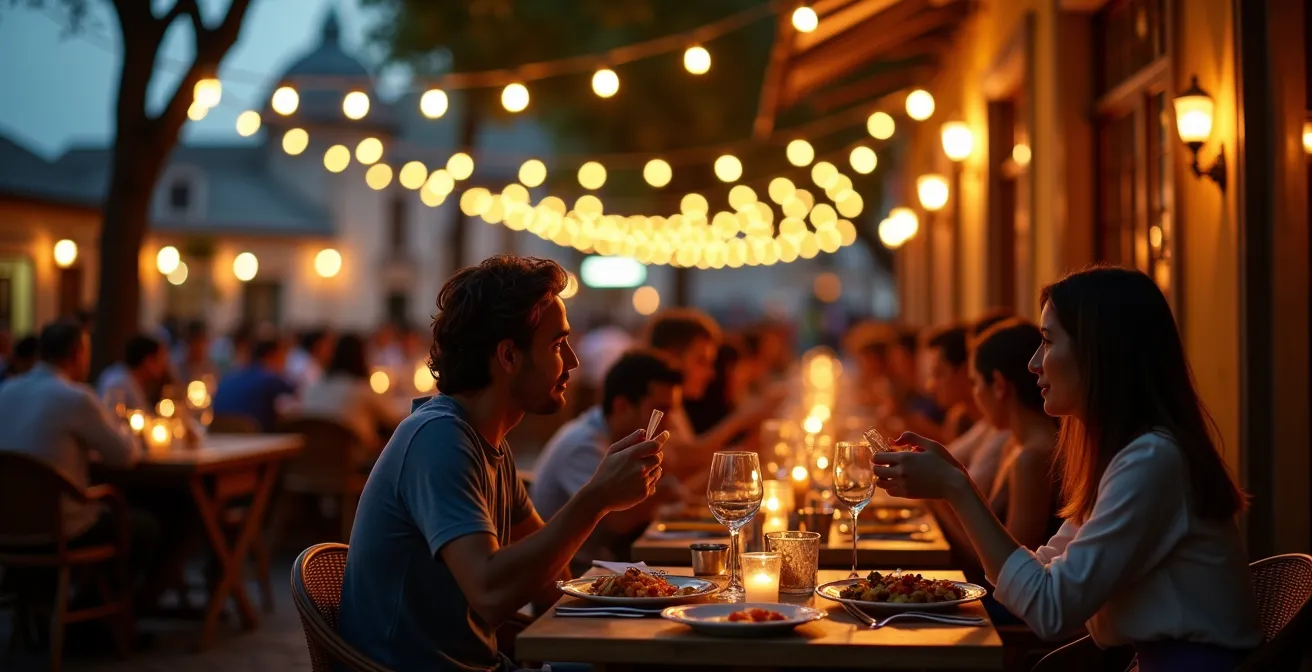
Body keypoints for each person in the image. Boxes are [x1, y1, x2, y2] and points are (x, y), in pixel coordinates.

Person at [873, 267, 1261, 671]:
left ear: (1098, 351)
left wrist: (956, 489)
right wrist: (957, 480)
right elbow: (1043, 570)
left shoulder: (1152, 461)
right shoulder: (1128, 454)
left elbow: (1049, 610)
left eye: (1047, 341)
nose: (1034, 363)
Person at [339, 256, 667, 671]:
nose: (573, 362)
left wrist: (648, 596)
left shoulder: (487, 442)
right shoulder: (438, 438)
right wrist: (596, 498)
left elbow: (551, 583)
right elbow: (490, 592)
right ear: (509, 356)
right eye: (556, 344)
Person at [532, 349, 684, 573]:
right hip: (569, 571)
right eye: (662, 410)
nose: (670, 423)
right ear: (622, 405)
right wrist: (663, 493)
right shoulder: (583, 444)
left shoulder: (612, 436)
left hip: (599, 561)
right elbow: (617, 521)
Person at [0, 321, 144, 545]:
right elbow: (125, 456)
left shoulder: (6, 391)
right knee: (150, 525)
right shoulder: (75, 398)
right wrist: (131, 433)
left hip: (8, 527)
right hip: (63, 530)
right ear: (78, 354)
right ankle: (117, 580)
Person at [646, 309, 784, 482]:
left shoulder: (678, 407)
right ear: (670, 357)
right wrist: (742, 419)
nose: (711, 374)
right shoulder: (649, 405)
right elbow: (683, 460)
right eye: (701, 361)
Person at [926, 322, 1011, 496]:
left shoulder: (1006, 435)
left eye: (938, 373)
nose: (930, 386)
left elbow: (963, 496)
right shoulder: (984, 425)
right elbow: (942, 460)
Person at [299, 333, 406, 451]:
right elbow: (393, 418)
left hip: (312, 456)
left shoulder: (312, 389)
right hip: (353, 459)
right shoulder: (361, 391)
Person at [212, 338, 296, 432]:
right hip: (252, 436)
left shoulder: (229, 376)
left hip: (220, 434)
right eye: (282, 357)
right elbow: (296, 393)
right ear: (272, 356)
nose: (284, 363)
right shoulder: (268, 377)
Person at [97, 334, 170, 412]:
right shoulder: (118, 384)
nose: (164, 364)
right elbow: (113, 419)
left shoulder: (136, 380)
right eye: (160, 359)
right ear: (148, 361)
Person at [172, 319, 215, 384]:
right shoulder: (177, 369)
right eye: (196, 343)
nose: (200, 348)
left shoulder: (211, 369)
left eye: (203, 343)